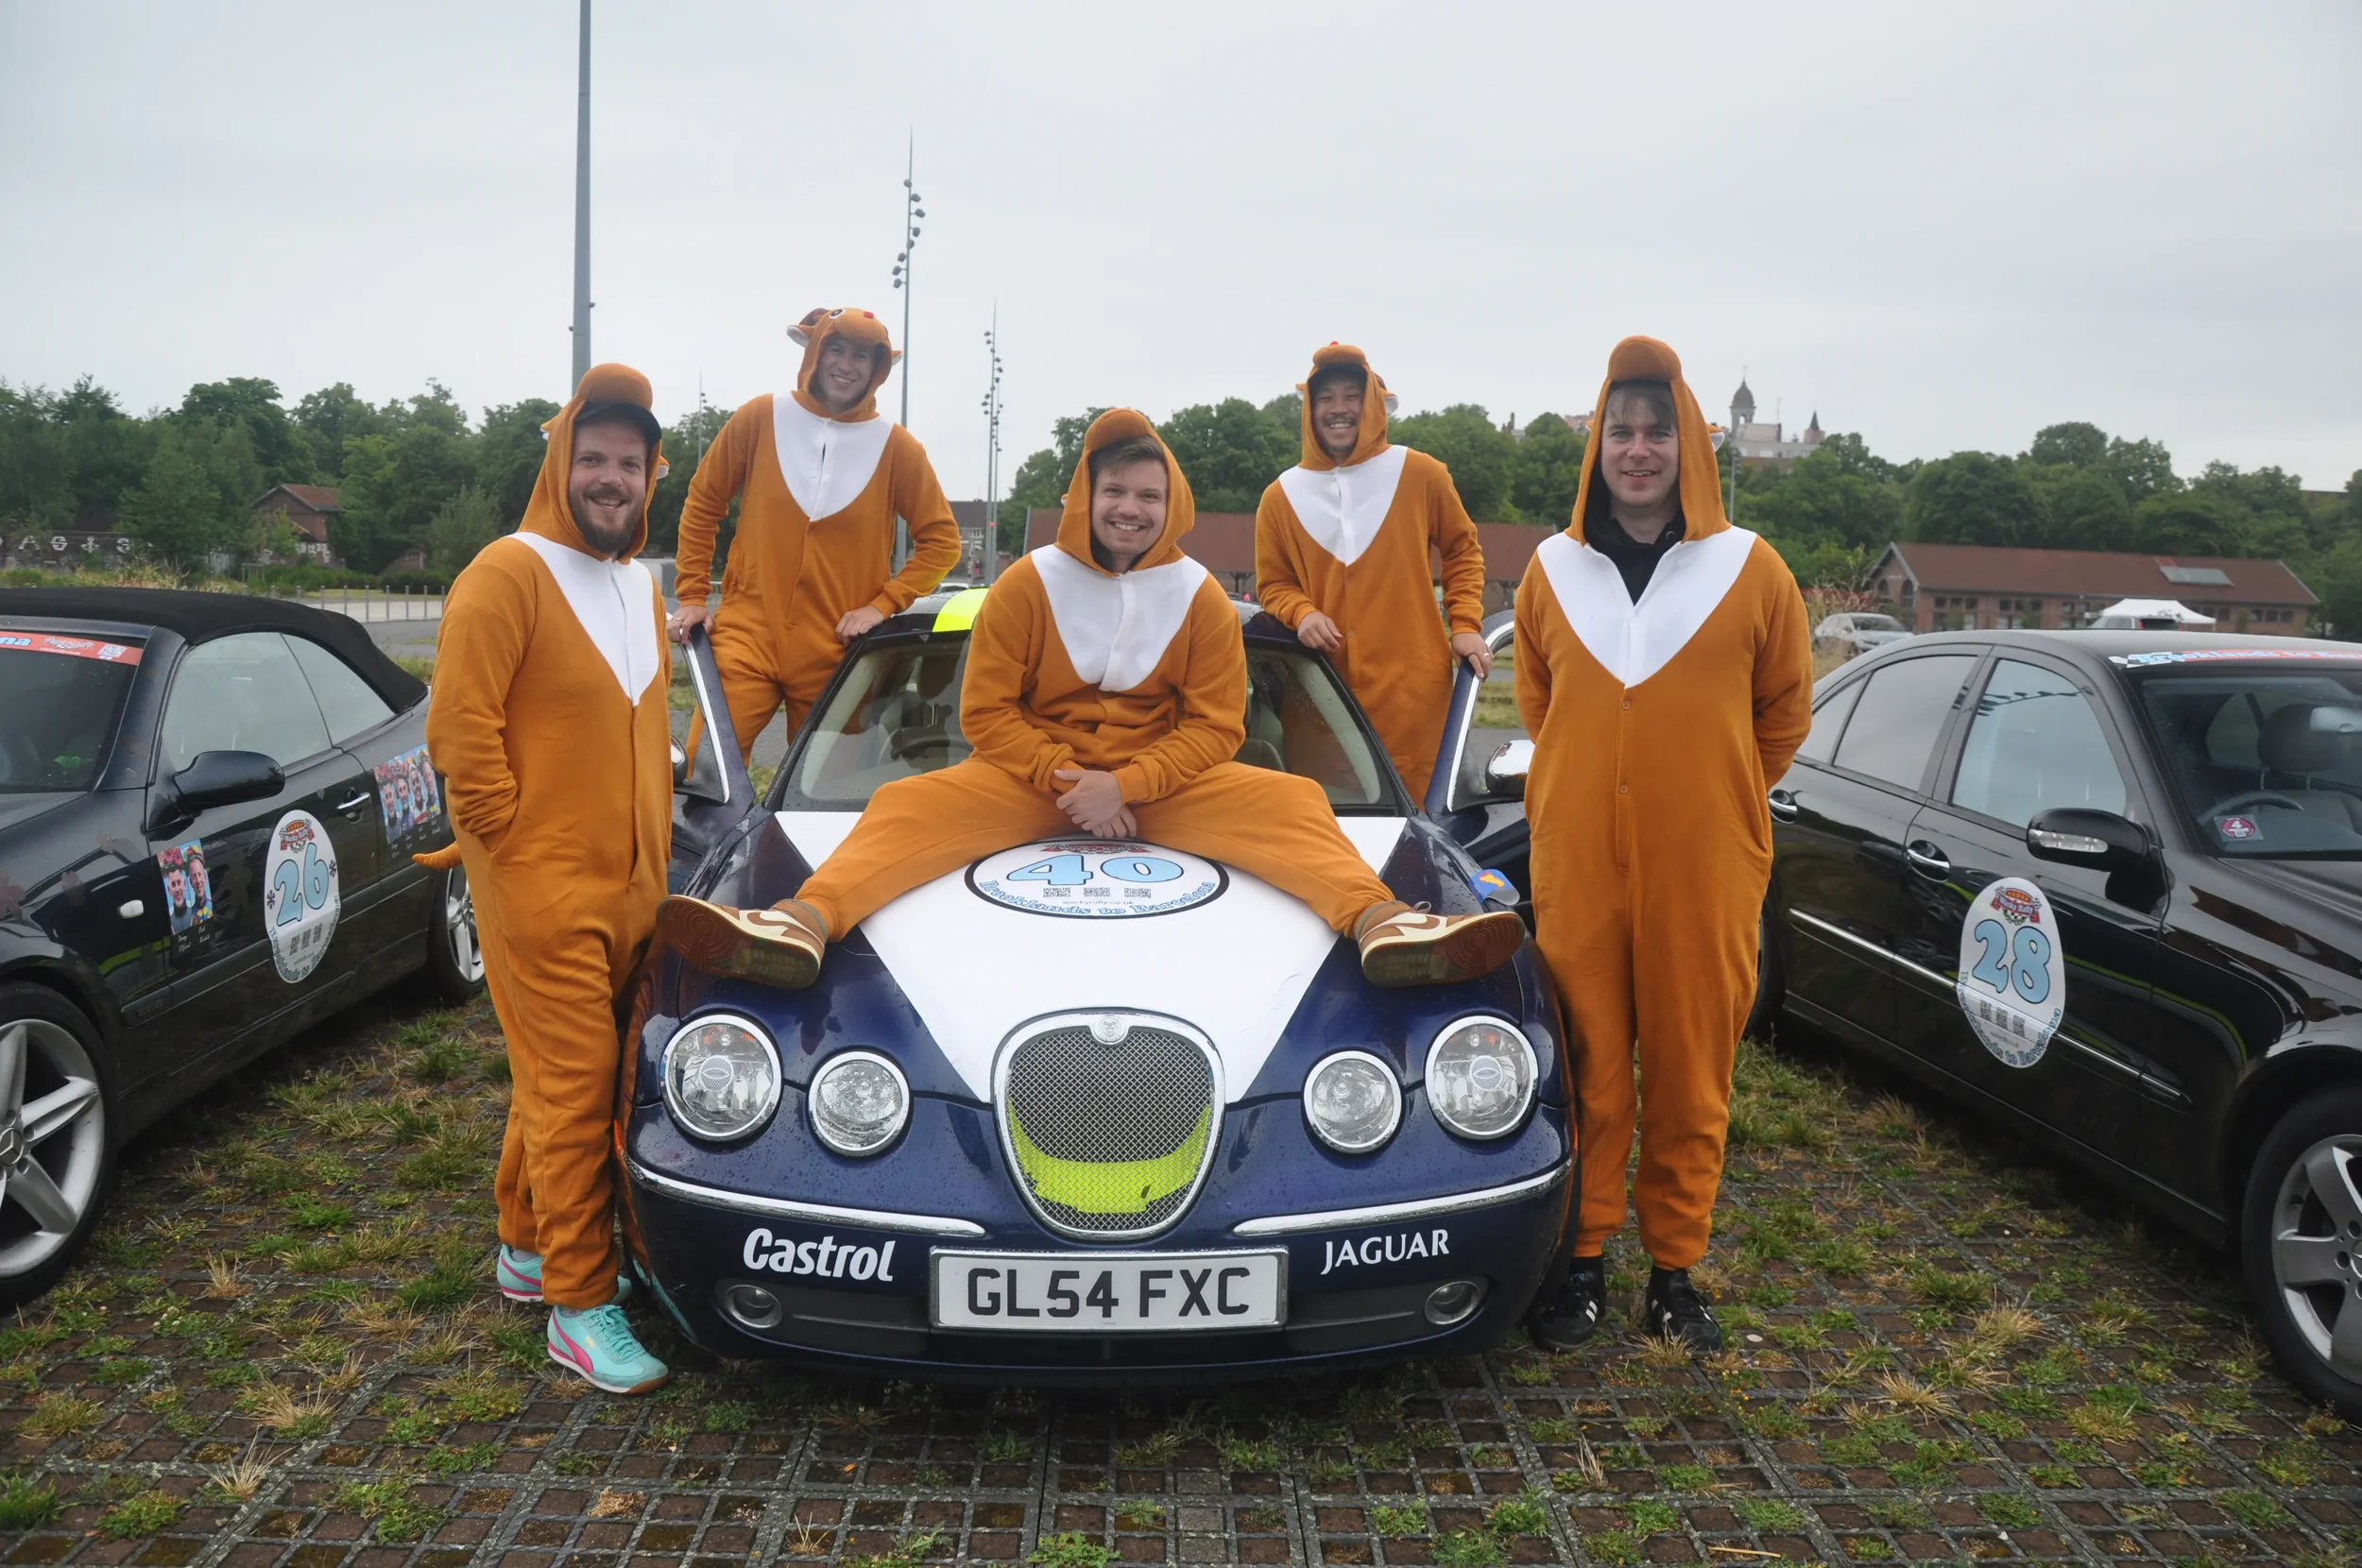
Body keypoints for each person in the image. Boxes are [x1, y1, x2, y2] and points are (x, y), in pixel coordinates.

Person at [655, 409, 1523, 991]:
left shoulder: (1201, 599)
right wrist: (1074, 781)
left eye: (1148, 496)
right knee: (902, 805)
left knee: (1293, 801)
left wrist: (1130, 786)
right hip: (1032, 781)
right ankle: (801, 921)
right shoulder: (1029, 584)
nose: (1130, 509)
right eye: (1115, 492)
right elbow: (984, 716)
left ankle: (1385, 924)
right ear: (1088, 496)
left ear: (1169, 502)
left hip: (1167, 788)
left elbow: (1219, 726)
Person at [1515, 337, 1813, 1355]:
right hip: (1579, 865)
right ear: (1596, 444)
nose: (1637, 450)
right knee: (1592, 1064)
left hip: (1706, 870)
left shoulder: (1751, 568)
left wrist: (1710, 798)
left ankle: (1675, 1272)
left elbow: (1781, 712)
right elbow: (1540, 702)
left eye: (1657, 430)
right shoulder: (1552, 571)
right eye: (1620, 430)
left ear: (1690, 442)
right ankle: (1585, 1259)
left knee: (1691, 1070)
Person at [418, 364, 676, 1394]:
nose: (611, 478)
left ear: (650, 475)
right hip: (542, 891)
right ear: (560, 462)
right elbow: (459, 729)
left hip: (636, 890)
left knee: (584, 1073)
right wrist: (509, 851)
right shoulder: (506, 572)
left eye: (630, 462)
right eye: (594, 458)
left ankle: (525, 1241)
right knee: (574, 1088)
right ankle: (579, 1299)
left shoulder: (637, 583)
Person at [667, 307, 960, 764]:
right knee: (707, 773)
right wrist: (691, 594)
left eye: (862, 356)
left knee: (828, 791)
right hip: (747, 635)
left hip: (836, 648)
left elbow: (942, 541)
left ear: (878, 368)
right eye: (837, 349)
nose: (846, 364)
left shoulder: (897, 446)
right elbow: (704, 503)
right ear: (815, 352)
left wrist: (882, 604)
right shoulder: (759, 417)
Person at [1255, 344, 1491, 800]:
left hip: (1414, 700)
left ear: (1374, 404)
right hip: (1320, 705)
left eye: (1351, 396)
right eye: (1326, 398)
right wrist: (1301, 612)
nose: (1339, 409)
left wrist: (1464, 624)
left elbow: (1463, 550)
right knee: (1328, 829)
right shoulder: (1279, 497)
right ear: (1309, 408)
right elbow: (1272, 584)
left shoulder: (1422, 474)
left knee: (1420, 828)